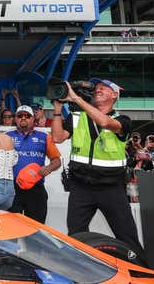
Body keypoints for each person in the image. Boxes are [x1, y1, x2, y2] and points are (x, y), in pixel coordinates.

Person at [51, 78, 143, 252]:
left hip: (111, 187)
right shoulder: (77, 117)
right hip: (81, 186)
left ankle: (139, 273)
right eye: (97, 88)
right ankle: (80, 274)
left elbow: (105, 123)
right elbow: (57, 137)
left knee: (127, 236)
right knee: (76, 236)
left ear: (115, 95)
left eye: (104, 87)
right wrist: (57, 109)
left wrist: (77, 99)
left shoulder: (123, 120)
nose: (98, 89)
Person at [7, 105, 61, 223]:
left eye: (27, 116)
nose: (23, 118)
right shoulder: (7, 136)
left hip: (35, 189)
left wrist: (49, 168)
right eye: (20, 115)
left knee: (36, 230)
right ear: (15, 118)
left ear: (33, 119)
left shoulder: (44, 137)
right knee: (10, 229)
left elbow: (57, 160)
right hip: (11, 189)